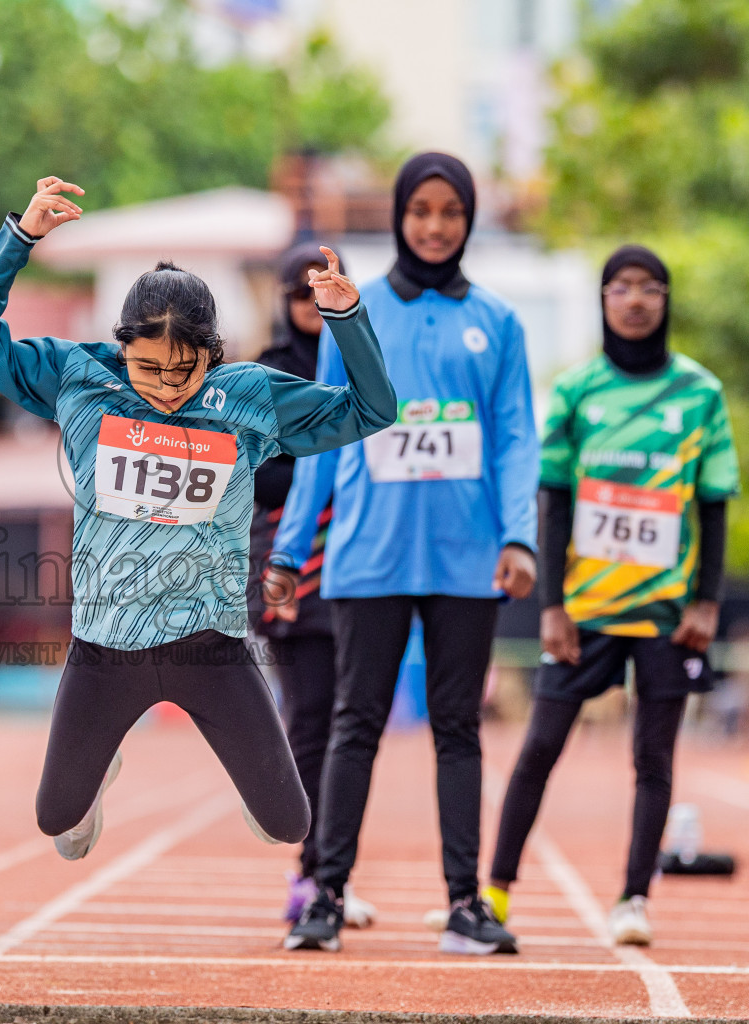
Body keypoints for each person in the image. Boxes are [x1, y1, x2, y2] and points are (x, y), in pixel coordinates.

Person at [0, 176, 397, 861]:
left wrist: (348, 318)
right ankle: (97, 774)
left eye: (184, 370)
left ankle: (229, 773)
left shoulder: (245, 397)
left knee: (289, 825)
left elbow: (371, 410)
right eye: (148, 367)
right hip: (104, 649)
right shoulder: (78, 378)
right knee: (55, 822)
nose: (165, 387)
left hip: (211, 648)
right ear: (120, 345)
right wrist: (21, 239)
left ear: (212, 353)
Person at [268, 152, 539, 955]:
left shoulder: (499, 321)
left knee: (459, 728)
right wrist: (289, 550)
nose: (433, 224)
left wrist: (519, 535)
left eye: (450, 210)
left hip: (466, 558)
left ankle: (466, 902)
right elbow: (318, 437)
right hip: (368, 556)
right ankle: (324, 893)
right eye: (420, 209)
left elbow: (517, 438)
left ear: (467, 219)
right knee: (355, 725)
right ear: (397, 216)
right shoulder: (356, 311)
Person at [485, 245, 739, 947]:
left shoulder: (700, 393)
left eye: (650, 287)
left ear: (665, 300)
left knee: (653, 761)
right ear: (603, 300)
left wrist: (707, 604)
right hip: (585, 612)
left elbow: (714, 504)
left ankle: (634, 899)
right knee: (538, 749)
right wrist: (554, 606)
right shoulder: (576, 390)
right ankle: (495, 895)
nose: (635, 299)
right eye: (620, 286)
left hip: (666, 614)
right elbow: (554, 498)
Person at [248, 242, 375, 930]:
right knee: (309, 721)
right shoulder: (265, 375)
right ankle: (308, 875)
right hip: (288, 560)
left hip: (360, 555)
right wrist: (323, 470)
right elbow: (256, 475)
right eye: (298, 294)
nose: (308, 305)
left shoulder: (358, 360)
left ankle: (332, 870)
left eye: (319, 291)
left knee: (349, 723)